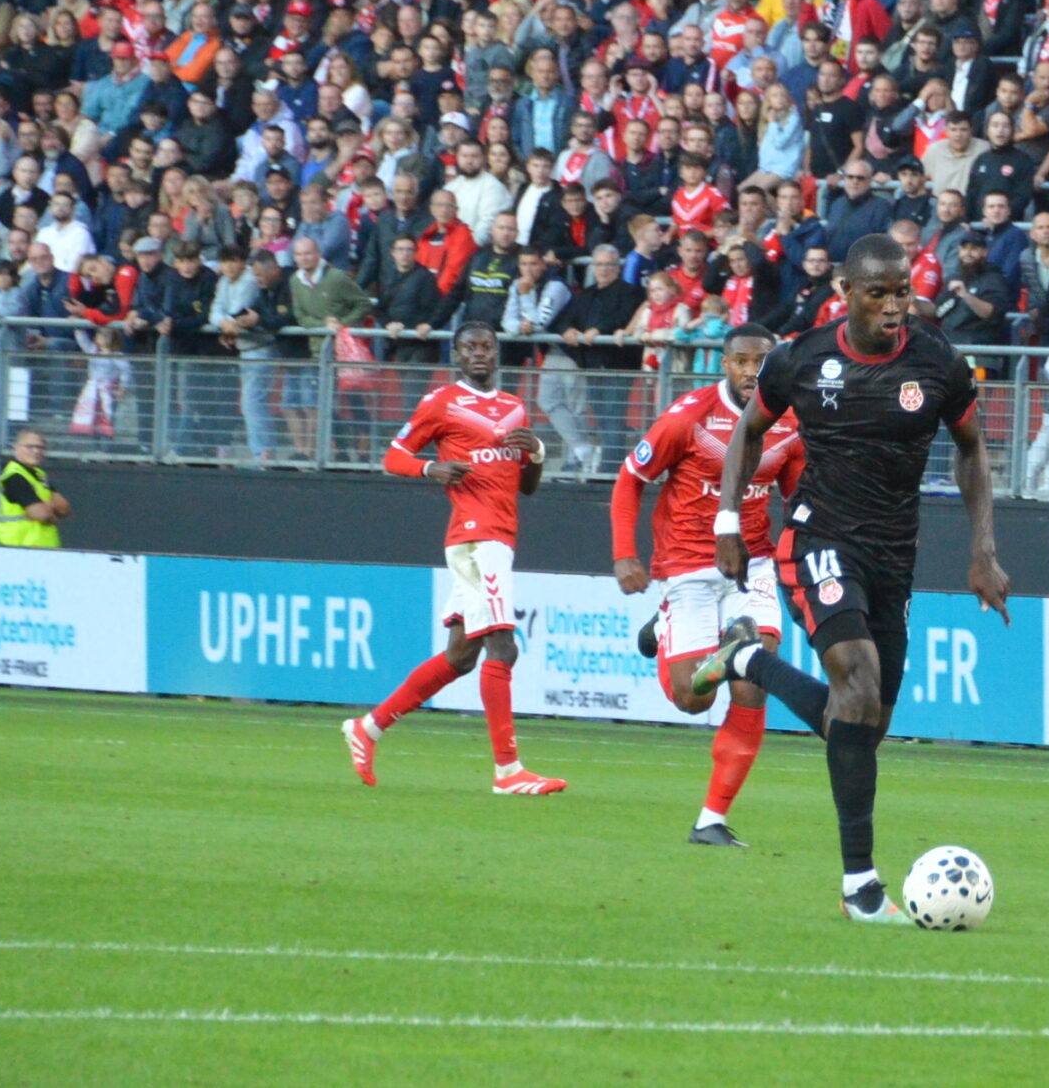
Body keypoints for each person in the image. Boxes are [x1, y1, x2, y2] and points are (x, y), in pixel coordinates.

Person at [688, 234, 1009, 923]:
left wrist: (983, 550)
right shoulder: (801, 359)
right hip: (818, 540)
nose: (894, 306)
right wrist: (727, 522)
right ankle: (860, 886)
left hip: (894, 554)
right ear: (846, 293)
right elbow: (748, 431)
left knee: (863, 723)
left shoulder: (938, 361)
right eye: (879, 293)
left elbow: (972, 449)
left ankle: (747, 659)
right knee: (857, 687)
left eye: (903, 292)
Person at [341, 321, 564, 796]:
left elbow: (526, 487)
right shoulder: (442, 402)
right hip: (476, 537)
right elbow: (393, 456)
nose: (479, 353)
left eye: (486, 346)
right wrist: (431, 467)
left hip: (499, 534)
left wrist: (539, 453)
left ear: (496, 353)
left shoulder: (513, 407)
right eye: (470, 347)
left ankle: (368, 727)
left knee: (461, 656)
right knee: (503, 646)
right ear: (457, 356)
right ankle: (508, 771)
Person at [610, 324, 804, 846]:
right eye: (741, 361)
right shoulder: (689, 417)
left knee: (755, 676)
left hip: (752, 563)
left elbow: (799, 494)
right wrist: (625, 554)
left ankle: (711, 820)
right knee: (692, 700)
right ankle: (664, 627)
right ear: (724, 364)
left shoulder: (789, 422)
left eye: (761, 361)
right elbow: (630, 480)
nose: (751, 371)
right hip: (689, 566)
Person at [0, 428, 68, 548]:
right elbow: (40, 514)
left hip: (43, 547)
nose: (36, 451)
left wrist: (46, 510)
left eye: (40, 447)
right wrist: (51, 513)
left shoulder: (40, 475)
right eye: (30, 447)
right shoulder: (14, 476)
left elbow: (64, 509)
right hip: (18, 546)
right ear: (16, 447)